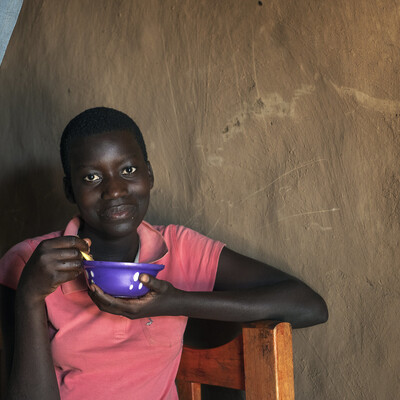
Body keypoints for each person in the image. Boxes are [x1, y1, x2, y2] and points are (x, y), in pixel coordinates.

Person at [0, 107, 328, 400]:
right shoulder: (29, 264)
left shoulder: (180, 248)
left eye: (128, 170)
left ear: (149, 174)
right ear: (70, 189)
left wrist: (173, 302)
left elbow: (309, 307)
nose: (114, 189)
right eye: (92, 177)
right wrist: (30, 295)